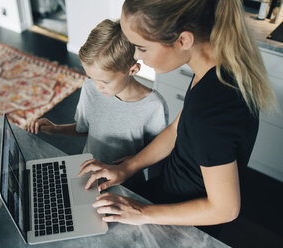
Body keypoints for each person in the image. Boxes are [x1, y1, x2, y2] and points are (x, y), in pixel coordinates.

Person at [78, 0, 276, 228]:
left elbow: (225, 208)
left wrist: (142, 212)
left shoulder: (212, 108)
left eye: (141, 47)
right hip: (169, 190)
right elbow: (176, 129)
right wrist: (128, 167)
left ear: (183, 40)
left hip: (185, 218)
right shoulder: (215, 67)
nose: (136, 56)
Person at [25, 19, 168, 189]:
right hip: (88, 172)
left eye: (104, 82)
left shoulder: (154, 106)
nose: (97, 86)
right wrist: (55, 128)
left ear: (133, 70)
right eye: (92, 78)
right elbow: (84, 129)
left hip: (126, 182)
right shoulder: (90, 88)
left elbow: (158, 154)